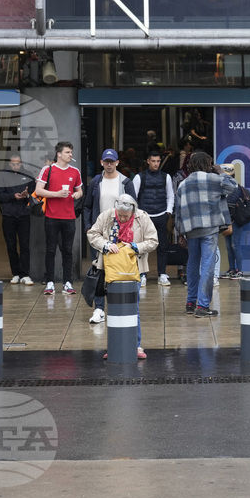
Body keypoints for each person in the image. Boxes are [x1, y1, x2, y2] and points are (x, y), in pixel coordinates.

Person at [87, 194, 158, 360]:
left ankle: (136, 345)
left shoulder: (143, 218)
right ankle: (115, 345)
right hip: (110, 269)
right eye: (120, 215)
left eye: (126, 216)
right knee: (113, 307)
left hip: (133, 268)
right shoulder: (106, 216)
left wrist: (135, 247)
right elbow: (92, 234)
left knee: (133, 307)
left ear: (133, 211)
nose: (122, 218)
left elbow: (153, 241)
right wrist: (105, 244)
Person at [175, 151, 236, 317]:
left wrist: (179, 233)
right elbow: (232, 186)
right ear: (207, 164)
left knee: (192, 265)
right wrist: (220, 171)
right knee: (207, 265)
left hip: (191, 230)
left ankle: (190, 302)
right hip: (209, 229)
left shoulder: (183, 184)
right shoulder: (213, 179)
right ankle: (202, 306)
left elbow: (178, 211)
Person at [84, 148, 136, 322]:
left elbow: (135, 208)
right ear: (101, 162)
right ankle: (99, 308)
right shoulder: (96, 182)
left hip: (121, 232)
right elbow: (87, 206)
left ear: (117, 162)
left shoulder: (125, 182)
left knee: (119, 269)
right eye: (106, 161)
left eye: (111, 161)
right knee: (99, 269)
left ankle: (117, 304)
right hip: (99, 231)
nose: (109, 164)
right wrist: (88, 228)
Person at [35, 141, 85, 296]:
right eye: (68, 152)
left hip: (69, 216)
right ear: (59, 154)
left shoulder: (75, 171)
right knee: (50, 250)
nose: (71, 155)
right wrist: (56, 194)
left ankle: (67, 282)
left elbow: (79, 190)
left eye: (71, 152)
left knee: (68, 250)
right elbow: (38, 190)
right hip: (51, 216)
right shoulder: (48, 169)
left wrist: (77, 194)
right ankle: (50, 282)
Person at [132, 150, 174, 286]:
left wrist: (168, 212)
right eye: (153, 161)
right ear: (148, 161)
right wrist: (137, 214)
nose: (156, 164)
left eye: (158, 161)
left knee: (163, 246)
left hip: (161, 215)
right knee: (143, 247)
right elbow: (133, 197)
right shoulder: (139, 177)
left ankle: (162, 274)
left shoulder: (166, 177)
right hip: (144, 216)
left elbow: (170, 195)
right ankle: (142, 274)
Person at [0, 154, 35, 285]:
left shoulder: (28, 174)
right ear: (9, 164)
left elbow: (35, 194)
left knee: (25, 245)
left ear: (21, 163)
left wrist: (26, 194)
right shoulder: (2, 175)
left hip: (24, 215)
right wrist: (13, 196)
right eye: (13, 164)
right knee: (11, 245)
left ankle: (25, 273)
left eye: (18, 163)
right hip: (8, 215)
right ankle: (15, 273)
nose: (16, 166)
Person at [220, 166, 248, 280]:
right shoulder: (226, 188)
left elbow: (229, 202)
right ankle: (232, 270)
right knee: (229, 246)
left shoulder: (235, 187)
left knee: (235, 245)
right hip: (227, 220)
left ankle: (240, 270)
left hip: (236, 220)